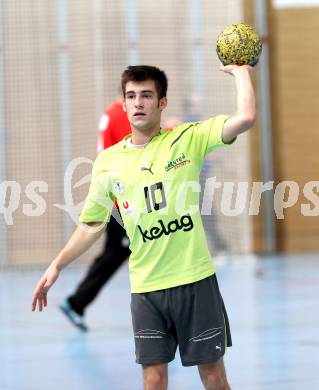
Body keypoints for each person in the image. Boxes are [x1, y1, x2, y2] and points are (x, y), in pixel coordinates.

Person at [32, 63, 256, 390]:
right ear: (123, 104)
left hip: (194, 281)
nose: (138, 103)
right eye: (132, 96)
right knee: (152, 378)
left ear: (162, 103)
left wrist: (241, 73)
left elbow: (246, 118)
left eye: (147, 96)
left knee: (213, 377)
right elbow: (91, 224)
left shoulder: (187, 139)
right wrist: (57, 265)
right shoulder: (108, 162)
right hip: (146, 288)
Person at [59, 98, 132, 331]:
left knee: (115, 253)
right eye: (134, 95)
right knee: (117, 252)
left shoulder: (113, 112)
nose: (140, 102)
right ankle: (76, 302)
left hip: (125, 199)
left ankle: (76, 303)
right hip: (122, 202)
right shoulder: (121, 115)